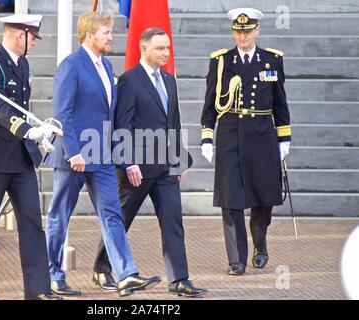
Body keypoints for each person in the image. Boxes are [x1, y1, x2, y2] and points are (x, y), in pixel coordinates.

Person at [44, 11, 161, 297]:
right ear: (89, 35)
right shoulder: (71, 66)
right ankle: (53, 275)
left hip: (102, 155)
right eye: (106, 32)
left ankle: (125, 274)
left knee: (112, 213)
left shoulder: (106, 66)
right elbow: (62, 114)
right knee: (60, 215)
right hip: (74, 157)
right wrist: (73, 152)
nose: (111, 37)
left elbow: (108, 115)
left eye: (110, 32)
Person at [92, 28, 207, 298]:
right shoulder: (129, 81)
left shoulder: (169, 80)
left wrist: (179, 161)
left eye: (168, 48)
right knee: (121, 218)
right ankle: (102, 268)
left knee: (172, 222)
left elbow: (173, 124)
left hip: (166, 167)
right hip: (137, 169)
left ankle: (179, 279)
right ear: (144, 49)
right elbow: (122, 125)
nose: (166, 53)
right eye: (160, 49)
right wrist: (127, 162)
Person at [0, 14, 62, 300]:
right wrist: (29, 132)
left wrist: (41, 128)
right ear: (19, 35)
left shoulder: (22, 63)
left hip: (20, 159)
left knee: (32, 222)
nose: (34, 44)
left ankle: (38, 290)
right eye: (32, 38)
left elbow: (20, 107)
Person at [200, 8, 291, 276]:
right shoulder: (221, 61)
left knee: (263, 199)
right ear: (233, 33)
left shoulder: (272, 60)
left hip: (262, 136)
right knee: (231, 200)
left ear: (257, 31)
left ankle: (260, 246)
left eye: (247, 30)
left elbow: (280, 103)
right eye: (238, 31)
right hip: (230, 135)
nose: (243, 35)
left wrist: (284, 138)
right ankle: (236, 259)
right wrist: (207, 136)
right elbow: (209, 105)